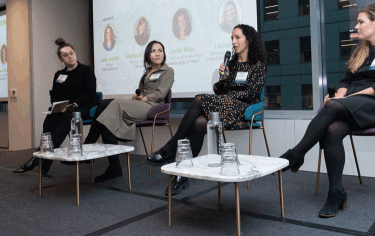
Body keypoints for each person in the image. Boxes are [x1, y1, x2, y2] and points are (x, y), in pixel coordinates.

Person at [279, 1, 375, 218]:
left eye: (361, 21)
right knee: (333, 129)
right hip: (357, 104)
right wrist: (340, 96)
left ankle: (296, 154)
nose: (357, 26)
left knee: (331, 106)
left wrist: (341, 102)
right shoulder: (363, 51)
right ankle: (335, 193)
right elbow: (346, 79)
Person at [146, 24, 267, 196]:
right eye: (232, 38)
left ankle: (170, 148)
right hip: (225, 106)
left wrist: (230, 86)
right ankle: (182, 175)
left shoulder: (257, 65)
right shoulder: (231, 64)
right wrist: (224, 78)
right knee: (198, 123)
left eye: (237, 37)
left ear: (248, 39)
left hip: (242, 110)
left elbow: (251, 94)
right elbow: (219, 91)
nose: (233, 42)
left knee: (199, 99)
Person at [86, 40, 174, 182]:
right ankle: (114, 166)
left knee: (117, 104)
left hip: (153, 106)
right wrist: (138, 96)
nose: (157, 53)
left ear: (164, 53)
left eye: (160, 50)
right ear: (148, 55)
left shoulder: (168, 71)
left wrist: (144, 98)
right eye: (153, 51)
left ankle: (88, 144)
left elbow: (160, 94)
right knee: (103, 106)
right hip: (142, 103)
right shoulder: (147, 72)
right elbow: (142, 90)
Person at [14, 38, 98, 174]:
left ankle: (38, 158)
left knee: (67, 117)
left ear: (75, 53)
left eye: (71, 53)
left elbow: (90, 94)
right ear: (61, 59)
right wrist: (56, 105)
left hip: (84, 107)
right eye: (65, 55)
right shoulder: (59, 75)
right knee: (51, 117)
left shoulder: (86, 70)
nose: (69, 57)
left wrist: (73, 105)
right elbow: (54, 95)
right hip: (66, 108)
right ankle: (45, 162)